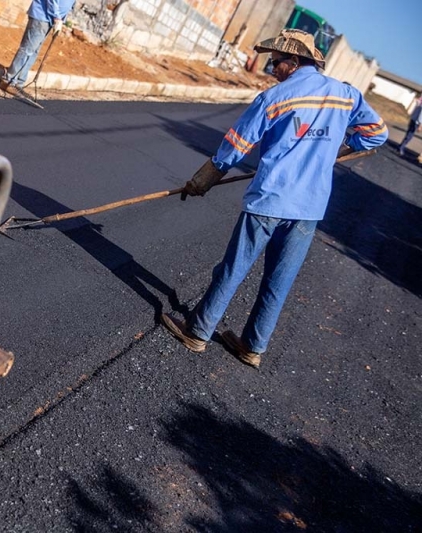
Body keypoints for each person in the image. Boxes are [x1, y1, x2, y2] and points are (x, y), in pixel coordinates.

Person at [160, 29, 388, 369]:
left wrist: (201, 181)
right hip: (309, 207)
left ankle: (198, 331)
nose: (271, 69)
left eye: (276, 62)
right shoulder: (347, 96)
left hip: (270, 200)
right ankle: (252, 346)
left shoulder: (275, 97)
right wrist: (341, 148)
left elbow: (235, 146)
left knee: (233, 268)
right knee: (279, 279)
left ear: (294, 62)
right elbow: (377, 134)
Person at [0, 0, 75, 96]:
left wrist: (61, 19)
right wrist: (57, 17)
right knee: (27, 49)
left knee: (34, 52)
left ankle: (18, 82)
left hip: (50, 19)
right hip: (42, 16)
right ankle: (8, 80)